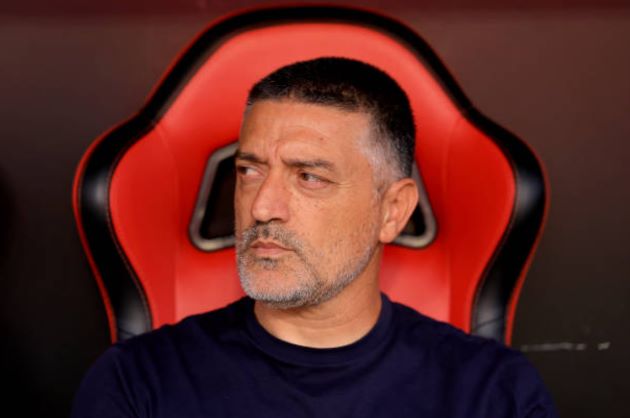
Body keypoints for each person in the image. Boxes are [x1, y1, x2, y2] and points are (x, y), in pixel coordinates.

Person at [71, 57, 557, 417]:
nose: (262, 207)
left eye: (309, 177)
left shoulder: (494, 393)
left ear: (392, 211)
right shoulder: (136, 384)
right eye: (249, 171)